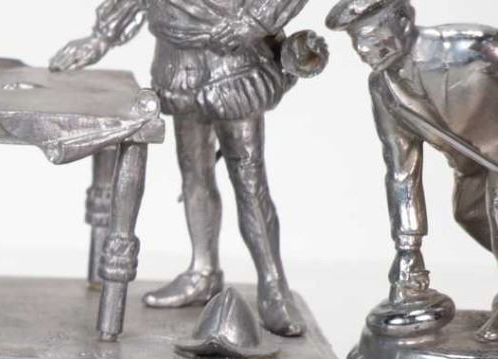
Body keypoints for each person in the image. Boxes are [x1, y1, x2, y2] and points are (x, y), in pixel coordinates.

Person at [52, 0, 318, 336]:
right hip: (177, 65)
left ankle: (273, 286)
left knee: (250, 183)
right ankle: (202, 271)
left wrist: (250, 23)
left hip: (233, 66)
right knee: (194, 175)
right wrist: (101, 37)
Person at [327, 0, 498, 341]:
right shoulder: (384, 89)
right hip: (473, 168)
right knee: (469, 213)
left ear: (404, 22)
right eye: (355, 40)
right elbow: (401, 172)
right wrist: (408, 251)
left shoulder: (474, 48)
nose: (362, 49)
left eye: (371, 35)